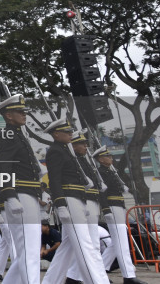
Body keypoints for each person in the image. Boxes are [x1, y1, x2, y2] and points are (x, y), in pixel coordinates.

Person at [41, 119, 109, 284]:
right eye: (68, 132)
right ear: (56, 134)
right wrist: (61, 204)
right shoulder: (55, 151)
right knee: (84, 245)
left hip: (78, 199)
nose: (71, 134)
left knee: (68, 247)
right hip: (69, 200)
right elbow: (55, 180)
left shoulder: (66, 150)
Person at [0, 94, 42, 284]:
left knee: (27, 252)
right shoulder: (7, 135)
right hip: (19, 196)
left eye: (24, 111)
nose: (24, 115)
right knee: (29, 252)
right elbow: (3, 167)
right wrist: (9, 195)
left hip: (29, 194)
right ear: (8, 116)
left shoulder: (20, 135)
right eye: (19, 112)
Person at [94, 146, 147, 284]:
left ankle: (101, 270)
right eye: (108, 156)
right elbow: (102, 192)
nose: (111, 158)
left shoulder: (112, 172)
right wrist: (106, 209)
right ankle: (128, 275)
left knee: (118, 241)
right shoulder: (101, 173)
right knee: (121, 241)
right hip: (111, 207)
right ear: (100, 159)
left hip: (119, 206)